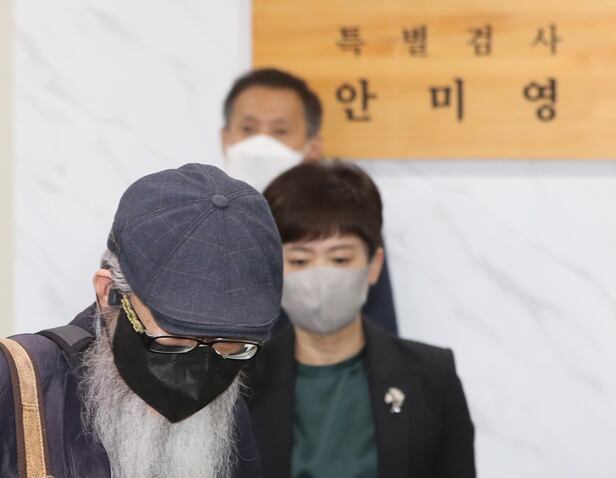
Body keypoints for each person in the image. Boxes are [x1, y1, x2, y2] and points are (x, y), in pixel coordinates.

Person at [0, 164, 283, 478]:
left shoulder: (228, 410)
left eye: (230, 348)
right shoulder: (18, 386)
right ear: (108, 293)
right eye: (174, 343)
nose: (196, 385)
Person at [245, 160, 476, 478]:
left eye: (340, 258)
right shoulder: (242, 380)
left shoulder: (432, 376)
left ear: (374, 264)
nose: (320, 276)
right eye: (299, 260)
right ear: (274, 268)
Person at [221, 67, 398, 335]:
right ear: (225, 138)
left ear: (313, 146)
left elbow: (379, 330)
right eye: (248, 129)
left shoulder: (344, 219)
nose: (262, 143)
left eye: (280, 131)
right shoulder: (198, 222)